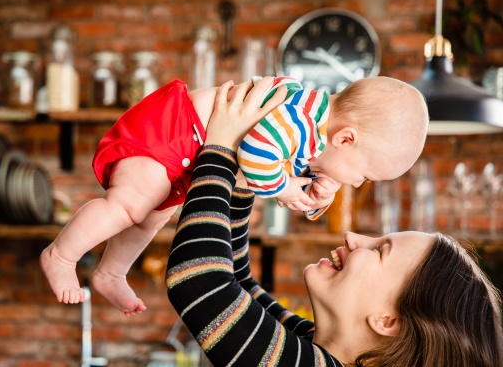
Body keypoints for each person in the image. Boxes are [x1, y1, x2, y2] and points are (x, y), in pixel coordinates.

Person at [165, 79, 503, 367]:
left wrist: (220, 149)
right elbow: (237, 282)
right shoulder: (310, 348)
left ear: (388, 321)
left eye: (380, 250)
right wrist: (243, 173)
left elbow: (200, 280)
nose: (353, 236)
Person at [40, 74, 428, 314]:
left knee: (150, 216)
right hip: (175, 131)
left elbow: (277, 166)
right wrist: (289, 187)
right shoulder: (299, 119)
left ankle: (111, 273)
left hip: (189, 153)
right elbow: (257, 159)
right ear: (346, 138)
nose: (356, 184)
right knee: (128, 206)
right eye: (362, 174)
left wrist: (313, 192)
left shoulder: (312, 127)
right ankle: (61, 255)